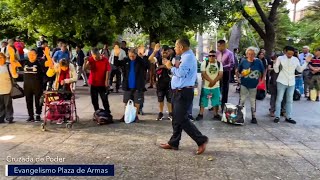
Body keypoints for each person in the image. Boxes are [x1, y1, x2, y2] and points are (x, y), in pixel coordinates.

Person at [160, 39, 208, 155]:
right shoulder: (183, 56)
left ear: (181, 46)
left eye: (176, 47)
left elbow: (181, 73)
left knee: (182, 119)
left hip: (183, 92)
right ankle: (174, 142)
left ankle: (201, 140)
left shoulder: (188, 57)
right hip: (177, 91)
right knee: (176, 118)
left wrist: (170, 67)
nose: (174, 49)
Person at [273, 46, 311, 124]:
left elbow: (300, 69)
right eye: (288, 53)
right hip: (281, 81)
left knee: (290, 100)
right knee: (279, 99)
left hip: (291, 82)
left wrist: (306, 62)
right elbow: (276, 71)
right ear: (285, 52)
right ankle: (277, 116)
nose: (290, 55)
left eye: (291, 53)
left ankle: (289, 116)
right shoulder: (280, 58)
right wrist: (275, 64)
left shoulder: (295, 59)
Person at [115, 48, 149, 122]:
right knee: (126, 101)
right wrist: (116, 55)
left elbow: (147, 65)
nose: (131, 58)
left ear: (136, 54)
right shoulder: (126, 60)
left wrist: (143, 56)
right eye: (130, 56)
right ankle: (126, 115)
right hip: (128, 85)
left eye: (133, 56)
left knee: (137, 102)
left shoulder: (140, 61)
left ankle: (135, 116)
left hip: (138, 85)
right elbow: (116, 63)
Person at [237, 47, 265, 124]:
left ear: (255, 54)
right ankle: (240, 116)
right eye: (249, 54)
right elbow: (238, 70)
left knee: (253, 100)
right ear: (246, 54)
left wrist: (262, 81)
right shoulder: (243, 61)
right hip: (244, 83)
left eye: (252, 54)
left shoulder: (258, 62)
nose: (250, 55)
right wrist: (238, 78)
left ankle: (253, 116)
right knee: (242, 100)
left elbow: (263, 71)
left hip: (254, 84)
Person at [196, 50, 223, 121]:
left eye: (213, 56)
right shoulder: (205, 63)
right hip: (206, 86)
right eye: (209, 56)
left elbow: (220, 74)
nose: (211, 57)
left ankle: (216, 114)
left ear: (216, 56)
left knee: (216, 101)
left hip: (216, 86)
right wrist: (211, 81)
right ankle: (200, 114)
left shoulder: (219, 64)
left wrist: (214, 82)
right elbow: (203, 74)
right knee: (203, 100)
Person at [84, 48, 112, 114]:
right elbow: (85, 69)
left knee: (104, 99)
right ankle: (97, 112)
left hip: (102, 83)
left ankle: (107, 112)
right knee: (94, 99)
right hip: (93, 83)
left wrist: (106, 81)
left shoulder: (105, 60)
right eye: (93, 56)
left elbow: (108, 70)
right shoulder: (91, 59)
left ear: (98, 54)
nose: (94, 58)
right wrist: (85, 62)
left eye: (95, 56)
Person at [149, 44, 173, 121]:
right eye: (163, 52)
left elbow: (172, 68)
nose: (164, 54)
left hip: (169, 82)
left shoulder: (171, 59)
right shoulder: (158, 59)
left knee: (169, 99)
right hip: (159, 82)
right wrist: (155, 51)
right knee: (160, 99)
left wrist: (161, 66)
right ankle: (160, 113)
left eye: (166, 52)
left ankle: (170, 113)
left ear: (168, 52)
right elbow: (150, 59)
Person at [24, 50, 45, 122]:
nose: (31, 56)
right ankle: (30, 116)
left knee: (38, 101)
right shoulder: (25, 62)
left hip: (38, 85)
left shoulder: (40, 62)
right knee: (28, 101)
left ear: (36, 55)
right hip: (27, 86)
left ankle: (38, 115)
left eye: (33, 54)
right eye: (30, 54)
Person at [216, 40, 234, 111]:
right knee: (216, 88)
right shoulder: (216, 53)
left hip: (225, 72)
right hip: (217, 73)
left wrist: (222, 67)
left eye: (219, 46)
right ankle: (215, 104)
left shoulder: (230, 53)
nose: (217, 47)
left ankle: (223, 105)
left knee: (225, 90)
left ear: (223, 45)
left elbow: (232, 64)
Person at [268, 53, 286, 117]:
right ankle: (272, 110)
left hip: (283, 82)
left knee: (284, 97)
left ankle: (283, 111)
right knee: (273, 97)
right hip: (274, 82)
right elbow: (269, 69)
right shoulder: (273, 62)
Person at [0, 52, 16, 124]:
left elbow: (15, 76)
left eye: (1, 57)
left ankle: (9, 118)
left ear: (4, 58)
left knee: (8, 104)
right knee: (0, 105)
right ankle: (1, 118)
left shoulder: (8, 66)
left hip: (7, 88)